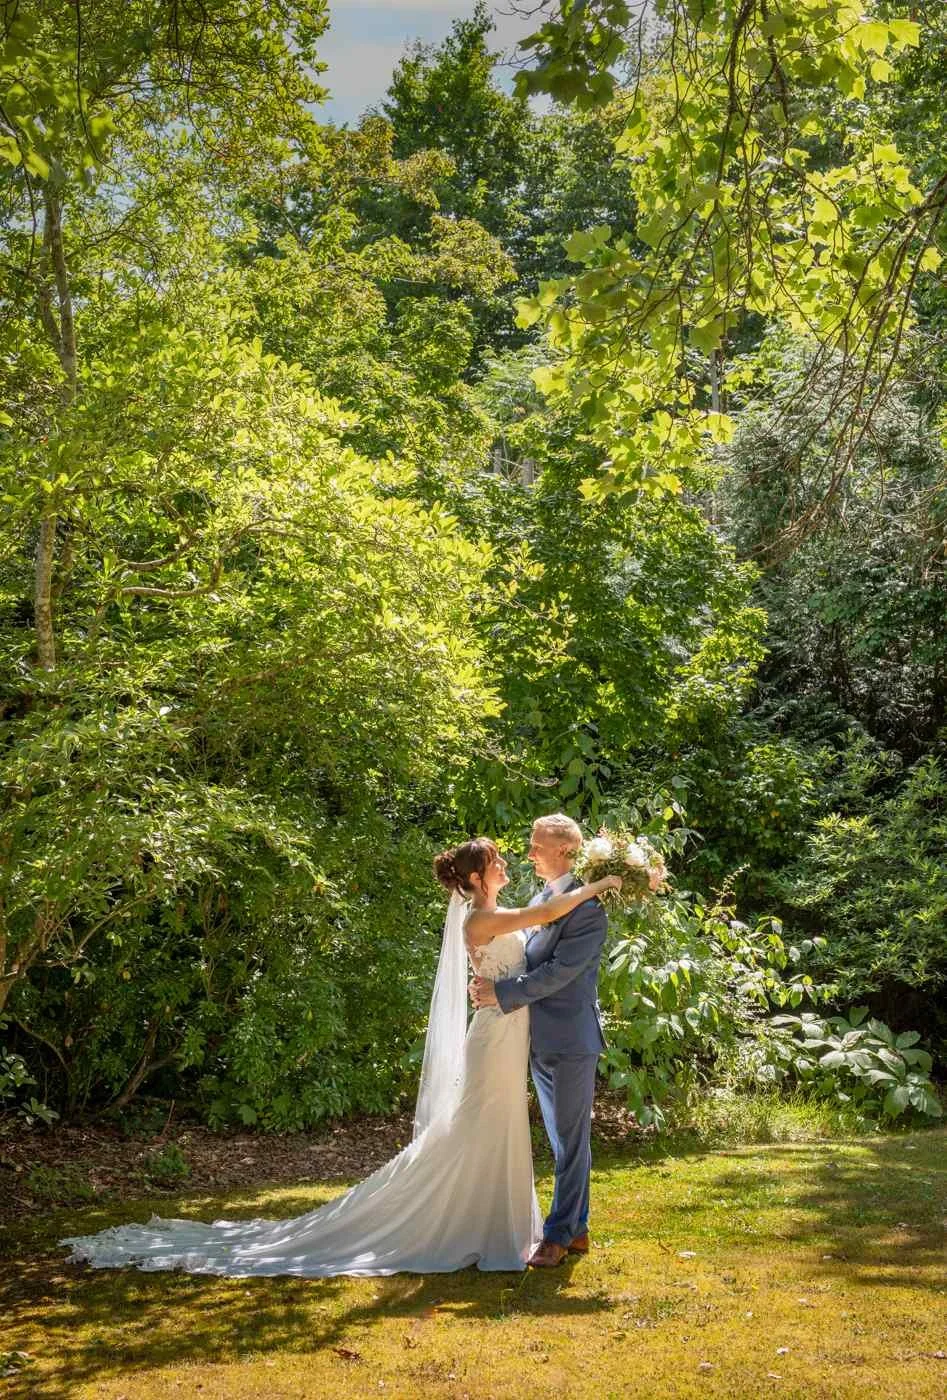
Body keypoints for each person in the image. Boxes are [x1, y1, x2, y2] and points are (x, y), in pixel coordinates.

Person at [60, 836, 618, 1277]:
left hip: (505, 1033)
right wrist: (602, 884)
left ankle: (501, 1224)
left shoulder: (501, 909)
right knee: (478, 1126)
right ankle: (462, 1225)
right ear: (475, 879)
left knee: (495, 1128)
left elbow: (543, 927)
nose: (507, 864)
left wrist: (589, 889)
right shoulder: (481, 919)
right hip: (494, 1037)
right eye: (497, 861)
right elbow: (545, 921)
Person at [470, 813, 609, 1268]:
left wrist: (503, 993)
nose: (528, 853)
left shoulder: (587, 909)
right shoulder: (542, 899)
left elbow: (560, 972)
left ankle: (557, 1235)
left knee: (571, 1141)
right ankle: (579, 1229)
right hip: (535, 1038)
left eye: (536, 845)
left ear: (565, 851)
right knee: (561, 1139)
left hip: (570, 1039)